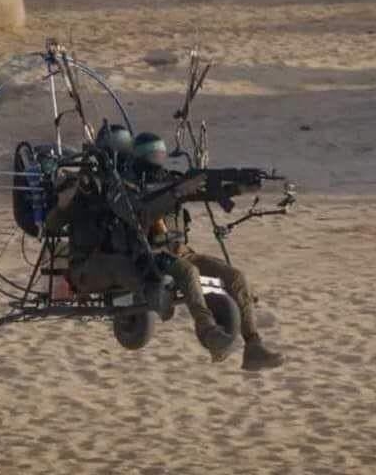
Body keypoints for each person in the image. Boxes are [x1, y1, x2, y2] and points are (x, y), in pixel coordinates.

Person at [44, 124, 235, 360]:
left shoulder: (124, 185)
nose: (122, 161)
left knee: (144, 264)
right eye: (118, 154)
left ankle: (205, 325)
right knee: (121, 266)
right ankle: (155, 293)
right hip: (88, 267)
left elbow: (143, 208)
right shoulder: (86, 187)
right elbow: (51, 225)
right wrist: (65, 202)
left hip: (119, 257)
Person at [130, 132, 285, 371]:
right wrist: (177, 192)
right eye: (154, 154)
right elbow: (144, 210)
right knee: (189, 272)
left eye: (161, 153)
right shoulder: (131, 187)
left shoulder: (171, 180)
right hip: (154, 256)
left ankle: (253, 346)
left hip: (181, 250)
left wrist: (238, 188)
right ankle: (208, 332)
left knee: (236, 277)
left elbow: (205, 192)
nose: (159, 158)